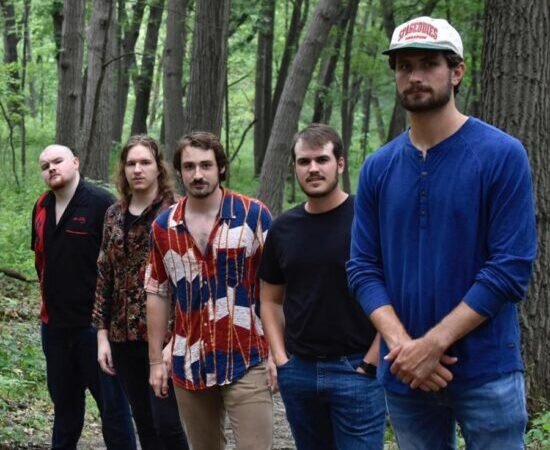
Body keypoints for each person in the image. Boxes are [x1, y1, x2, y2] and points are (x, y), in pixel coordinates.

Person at [347, 16, 536, 450]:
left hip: (487, 370)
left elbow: (510, 268)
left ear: (457, 71)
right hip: (405, 373)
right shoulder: (378, 167)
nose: (415, 76)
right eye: (404, 66)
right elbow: (362, 267)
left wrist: (432, 345)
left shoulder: (501, 155)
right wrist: (404, 347)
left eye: (429, 64)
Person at [259, 123, 386, 450]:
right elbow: (270, 300)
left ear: (340, 164)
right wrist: (281, 360)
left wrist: (372, 360)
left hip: (357, 369)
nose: (313, 168)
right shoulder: (283, 228)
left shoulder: (368, 219)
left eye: (322, 159)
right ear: (295, 168)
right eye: (304, 161)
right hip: (299, 370)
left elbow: (395, 291)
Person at [145, 131, 274, 450]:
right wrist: (155, 361)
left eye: (206, 165)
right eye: (189, 167)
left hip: (247, 355)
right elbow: (157, 292)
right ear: (179, 171)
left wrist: (278, 352)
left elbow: (275, 288)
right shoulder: (164, 227)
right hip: (189, 359)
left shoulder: (254, 215)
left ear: (221, 168)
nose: (198, 174)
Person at [31, 145, 136, 450]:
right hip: (54, 327)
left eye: (58, 161)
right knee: (65, 409)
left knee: (113, 409)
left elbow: (121, 266)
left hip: (96, 328)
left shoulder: (102, 204)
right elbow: (41, 260)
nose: (51, 168)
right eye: (45, 165)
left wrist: (111, 324)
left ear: (75, 163)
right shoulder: (41, 207)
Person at [92, 135, 189, 450]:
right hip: (122, 336)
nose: (137, 169)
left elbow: (189, 279)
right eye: (131, 163)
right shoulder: (113, 214)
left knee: (168, 424)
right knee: (144, 422)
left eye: (145, 162)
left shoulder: (176, 213)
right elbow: (105, 275)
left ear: (158, 168)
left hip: (165, 336)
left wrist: (178, 337)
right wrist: (102, 335)